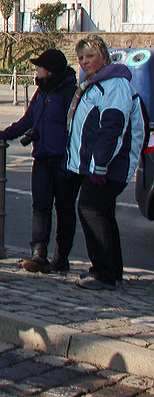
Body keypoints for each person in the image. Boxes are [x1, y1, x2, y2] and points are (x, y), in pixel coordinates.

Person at [65, 34, 144, 290]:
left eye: (90, 56)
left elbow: (112, 127)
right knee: (104, 214)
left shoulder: (114, 84)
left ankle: (103, 273)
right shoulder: (97, 83)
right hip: (100, 165)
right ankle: (112, 271)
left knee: (89, 209)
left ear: (103, 56)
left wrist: (100, 164)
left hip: (110, 166)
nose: (85, 62)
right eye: (81, 58)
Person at [0, 49, 79, 273]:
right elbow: (28, 120)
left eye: (40, 67)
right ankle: (38, 253)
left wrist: (71, 160)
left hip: (63, 160)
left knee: (64, 208)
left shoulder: (69, 92)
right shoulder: (41, 92)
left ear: (49, 71)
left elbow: (75, 130)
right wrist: (6, 134)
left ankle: (61, 257)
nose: (37, 70)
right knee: (40, 206)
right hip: (41, 158)